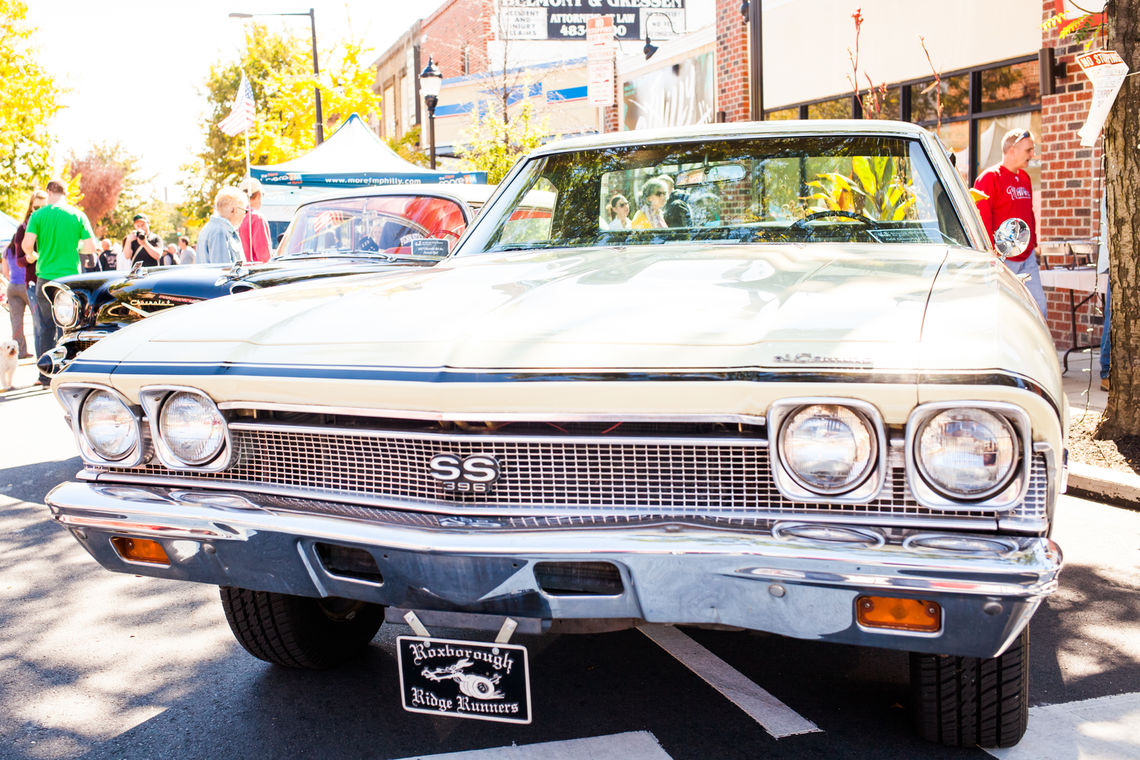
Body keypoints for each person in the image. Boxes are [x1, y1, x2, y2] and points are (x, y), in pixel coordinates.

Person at [21, 178, 96, 385]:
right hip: (71, 278)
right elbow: (90, 247)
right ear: (66, 193)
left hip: (45, 276)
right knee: (70, 326)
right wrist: (74, 248)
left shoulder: (38, 215)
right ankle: (69, 371)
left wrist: (36, 254)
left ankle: (45, 375)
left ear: (48, 192)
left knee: (45, 326)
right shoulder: (77, 215)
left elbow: (27, 246)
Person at [973, 128, 1046, 318]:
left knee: (1039, 311)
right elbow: (981, 218)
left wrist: (1033, 243)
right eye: (1028, 150)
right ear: (1012, 149)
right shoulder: (989, 178)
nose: (1032, 154)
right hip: (1003, 261)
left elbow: (1028, 212)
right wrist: (991, 253)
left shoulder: (1025, 178)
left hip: (1027, 259)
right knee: (1006, 315)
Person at [3, 191, 47, 358]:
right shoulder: (25, 229)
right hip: (29, 283)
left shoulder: (7, 251)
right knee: (38, 324)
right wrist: (29, 258)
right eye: (36, 207)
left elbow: (6, 271)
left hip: (16, 285)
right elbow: (23, 260)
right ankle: (37, 357)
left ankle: (21, 351)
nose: (39, 210)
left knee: (19, 323)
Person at [196, 187, 247, 265]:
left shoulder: (211, 228)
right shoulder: (220, 232)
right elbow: (224, 272)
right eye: (244, 211)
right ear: (235, 210)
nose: (244, 215)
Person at [238, 177, 272, 263]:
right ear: (259, 195)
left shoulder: (234, 216)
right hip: (254, 273)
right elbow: (264, 258)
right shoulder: (257, 218)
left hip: (237, 272)